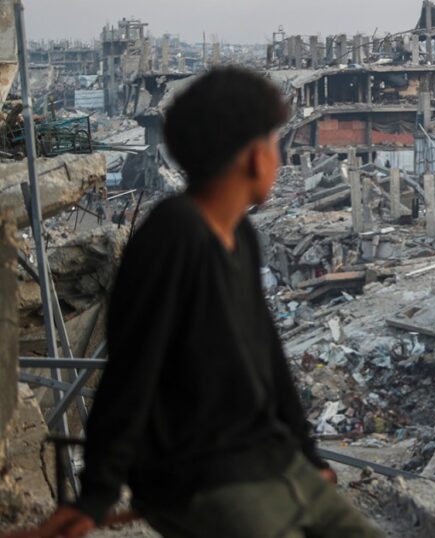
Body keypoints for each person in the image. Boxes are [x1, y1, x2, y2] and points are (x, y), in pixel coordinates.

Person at [27, 67, 382, 538]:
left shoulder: (240, 235)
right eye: (273, 142)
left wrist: (306, 452)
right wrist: (96, 495)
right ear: (252, 156)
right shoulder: (171, 238)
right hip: (197, 477)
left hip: (267, 459)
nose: (279, 157)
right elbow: (131, 371)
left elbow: (267, 354)